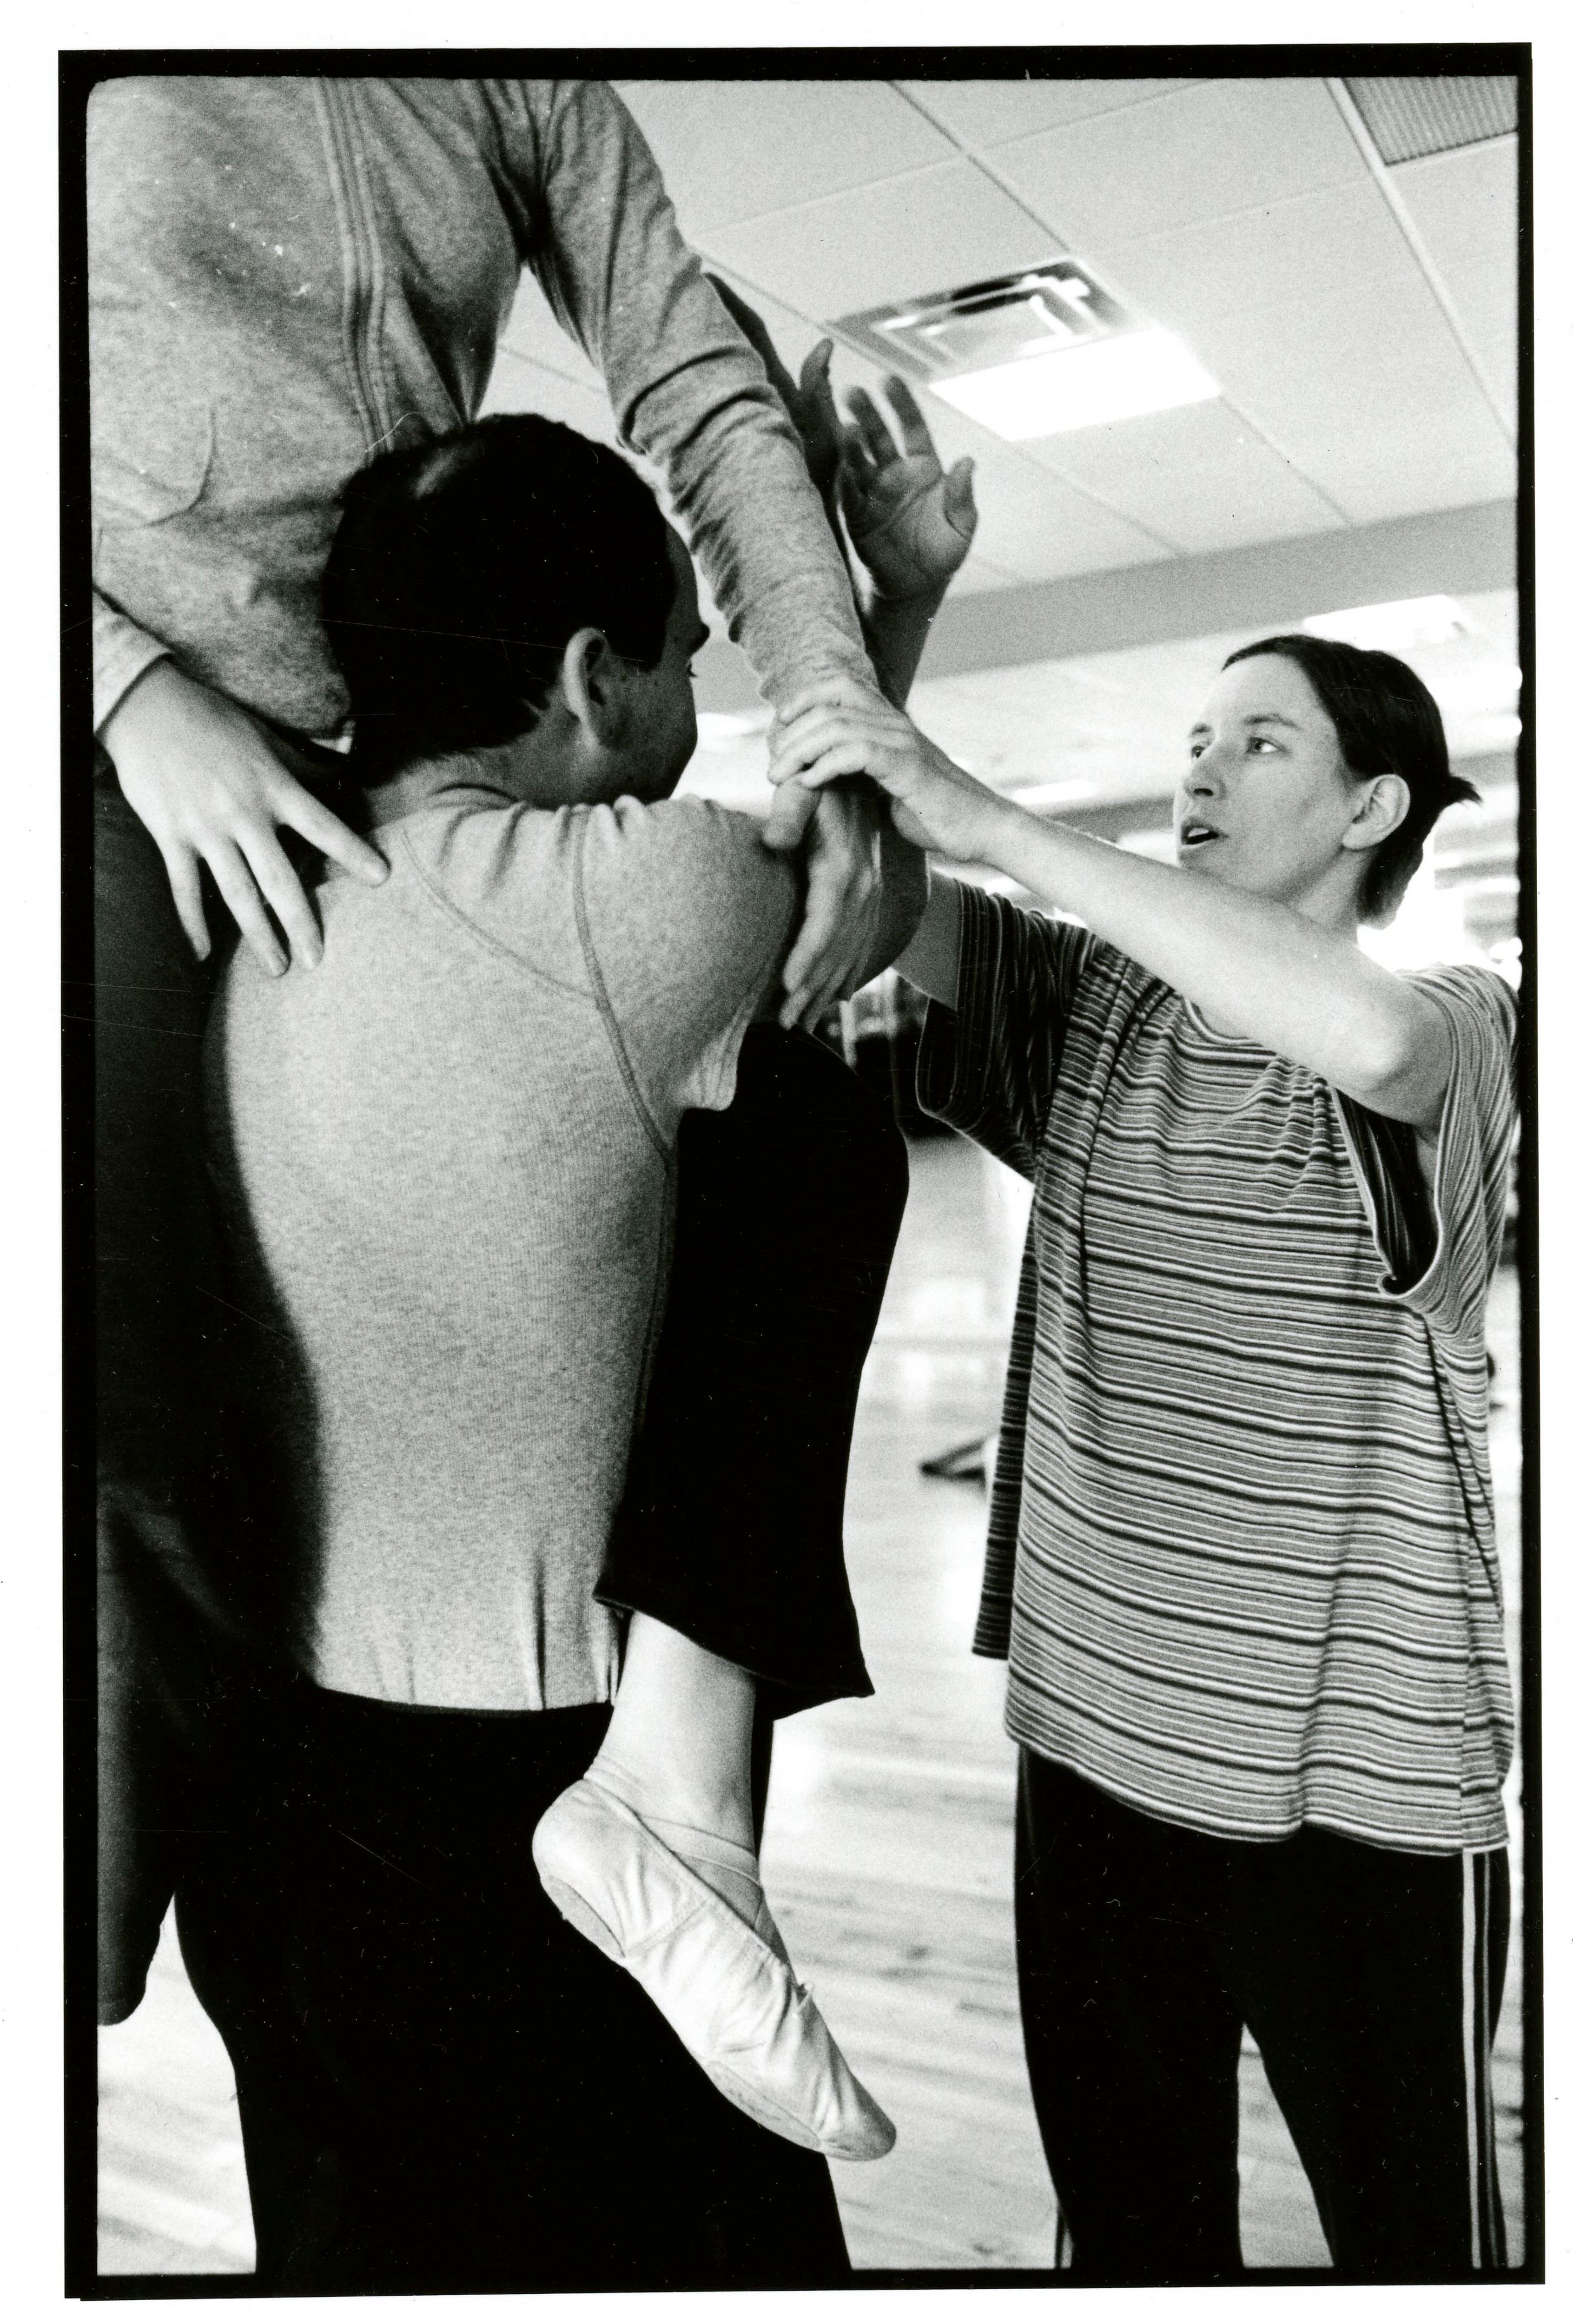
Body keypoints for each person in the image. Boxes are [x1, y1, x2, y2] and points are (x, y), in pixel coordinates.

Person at [88, 73, 894, 2027]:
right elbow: (786, 925)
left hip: (367, 752)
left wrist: (838, 704)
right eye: (685, 655)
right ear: (607, 677)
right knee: (121, 1411)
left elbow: (694, 371)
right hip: (136, 741)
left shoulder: (516, 75)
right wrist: (114, 690)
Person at [181, 381, 973, 2289]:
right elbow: (857, 860)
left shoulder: (231, 906)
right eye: (689, 658)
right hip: (528, 1814)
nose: (699, 703)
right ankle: (684, 1782)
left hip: (268, 1794)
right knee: (813, 1125)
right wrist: (885, 601)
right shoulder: (637, 896)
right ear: (591, 679)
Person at [771, 633, 1519, 2278]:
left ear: (1371, 810)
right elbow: (873, 873)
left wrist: (1001, 822)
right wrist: (882, 623)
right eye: (1195, 738)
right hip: (1095, 1756)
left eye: (1259, 743)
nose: (1200, 769)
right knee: (1130, 2246)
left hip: (1361, 1794)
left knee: (1422, 2258)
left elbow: (1377, 1048)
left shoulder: (1464, 1023)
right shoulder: (1091, 1007)